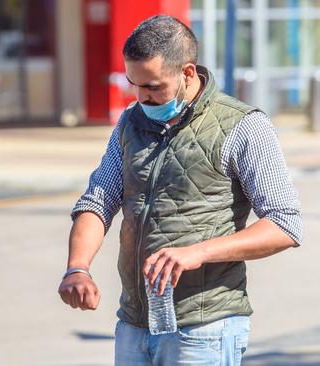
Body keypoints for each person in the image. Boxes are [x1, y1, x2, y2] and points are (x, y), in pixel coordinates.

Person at [58, 15, 302, 365]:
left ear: (188, 73)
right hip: (134, 324)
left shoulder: (244, 126)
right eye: (134, 85)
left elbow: (285, 224)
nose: (142, 96)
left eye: (154, 87)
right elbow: (99, 200)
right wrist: (77, 268)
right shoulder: (131, 122)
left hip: (204, 329)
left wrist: (198, 252)